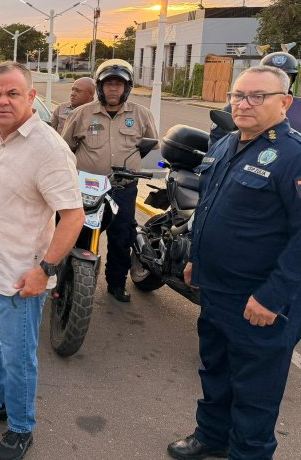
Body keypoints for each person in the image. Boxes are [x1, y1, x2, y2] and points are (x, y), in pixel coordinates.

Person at [167, 65, 301, 460]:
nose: (244, 104)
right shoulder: (227, 143)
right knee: (216, 371)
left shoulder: (293, 156)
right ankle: (212, 436)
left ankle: (249, 453)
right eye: (238, 95)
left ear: (284, 103)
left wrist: (272, 297)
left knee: (255, 390)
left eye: (257, 96)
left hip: (260, 300)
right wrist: (195, 260)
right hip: (216, 289)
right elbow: (208, 207)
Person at [0, 61, 84, 460]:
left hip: (21, 274)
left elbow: (73, 216)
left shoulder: (48, 149)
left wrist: (44, 270)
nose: (2, 101)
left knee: (17, 353)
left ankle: (20, 425)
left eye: (12, 93)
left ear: (31, 97)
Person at [61, 59, 157, 302]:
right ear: (100, 87)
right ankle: (71, 282)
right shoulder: (81, 114)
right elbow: (65, 149)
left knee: (121, 237)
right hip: (87, 189)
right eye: (108, 84)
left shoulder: (142, 115)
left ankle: (116, 283)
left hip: (123, 188)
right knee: (80, 234)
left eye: (118, 84)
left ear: (127, 88)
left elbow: (148, 146)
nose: (113, 89)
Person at [209, 51, 301, 145]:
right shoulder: (238, 107)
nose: (244, 106)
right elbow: (217, 141)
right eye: (270, 76)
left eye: (285, 76)